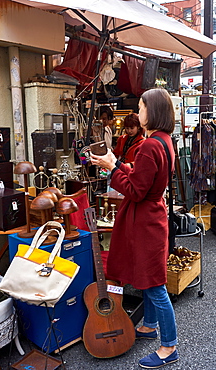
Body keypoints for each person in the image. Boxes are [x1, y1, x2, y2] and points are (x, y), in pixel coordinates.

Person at [90, 88, 179, 369]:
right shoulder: (164, 141)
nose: (138, 112)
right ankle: (150, 325)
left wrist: (111, 169)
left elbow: (136, 191)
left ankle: (169, 346)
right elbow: (146, 182)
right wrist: (117, 164)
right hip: (153, 218)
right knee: (150, 277)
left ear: (152, 111)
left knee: (154, 286)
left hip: (145, 221)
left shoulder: (151, 144)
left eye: (141, 107)